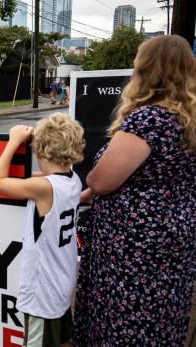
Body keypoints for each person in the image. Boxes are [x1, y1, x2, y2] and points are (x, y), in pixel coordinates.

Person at [73, 35, 196, 346]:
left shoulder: (149, 120)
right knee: (161, 317)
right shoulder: (188, 120)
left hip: (135, 248)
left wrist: (90, 188)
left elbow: (102, 180)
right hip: (173, 239)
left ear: (144, 70)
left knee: (125, 322)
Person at [0, 114, 85, 347]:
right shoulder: (73, 180)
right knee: (63, 340)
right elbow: (33, 178)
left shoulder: (43, 187)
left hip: (42, 292)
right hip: (61, 282)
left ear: (39, 153)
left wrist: (13, 141)